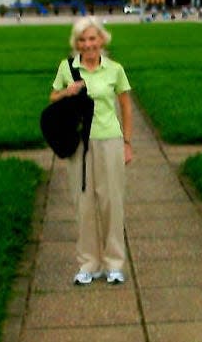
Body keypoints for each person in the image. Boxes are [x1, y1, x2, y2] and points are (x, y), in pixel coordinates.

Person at [50, 16, 133, 286]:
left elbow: (126, 106)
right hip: (79, 145)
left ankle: (114, 263)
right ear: (76, 44)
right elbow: (53, 97)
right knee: (83, 205)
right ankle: (88, 263)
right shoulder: (67, 68)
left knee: (112, 203)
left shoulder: (114, 69)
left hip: (109, 140)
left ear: (102, 40)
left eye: (92, 39)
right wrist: (67, 92)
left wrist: (127, 143)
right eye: (83, 40)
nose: (88, 45)